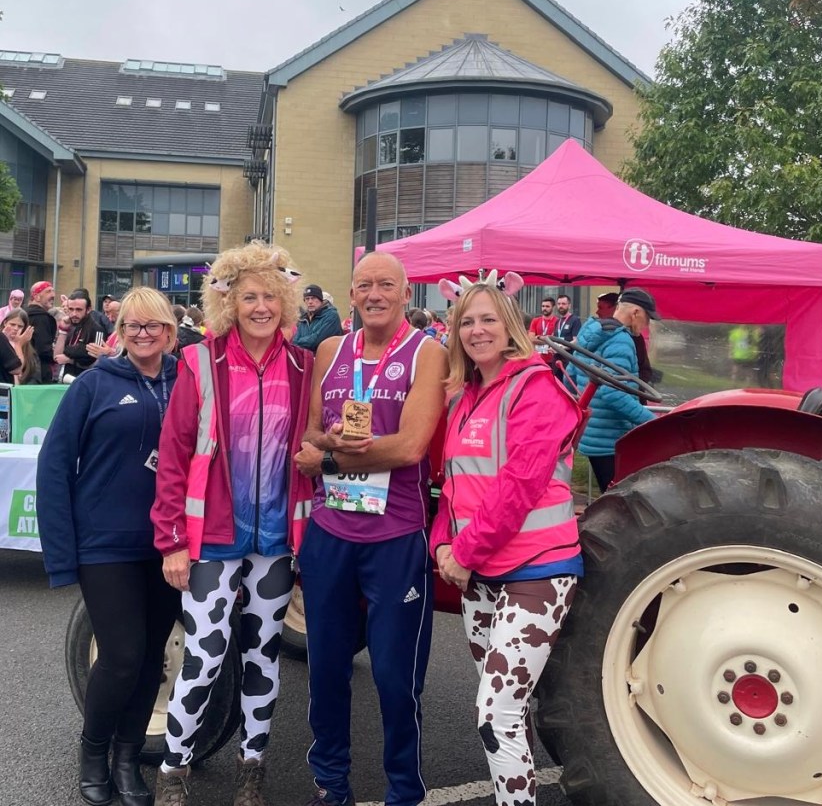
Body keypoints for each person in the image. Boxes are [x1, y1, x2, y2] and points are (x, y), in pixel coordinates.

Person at [151, 242, 315, 806]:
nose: (261, 306)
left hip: (275, 541)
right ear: (229, 303)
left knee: (262, 655)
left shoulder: (303, 366)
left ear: (286, 300)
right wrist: (172, 541)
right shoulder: (201, 361)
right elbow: (173, 455)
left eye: (271, 295)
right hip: (214, 539)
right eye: (249, 297)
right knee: (204, 656)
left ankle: (253, 768)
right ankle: (173, 770)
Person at [294, 251, 448, 806]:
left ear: (406, 294)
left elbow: (409, 448)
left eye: (386, 285)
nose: (374, 294)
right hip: (331, 532)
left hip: (395, 536)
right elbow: (311, 433)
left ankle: (403, 790)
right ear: (352, 294)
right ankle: (330, 781)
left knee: (393, 676)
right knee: (326, 667)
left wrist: (329, 458)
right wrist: (331, 444)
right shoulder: (330, 350)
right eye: (364, 285)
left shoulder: (427, 352)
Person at [430, 271, 582, 806]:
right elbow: (452, 486)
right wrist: (442, 545)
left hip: (537, 571)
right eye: (466, 321)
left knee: (495, 714)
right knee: (508, 714)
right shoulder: (464, 397)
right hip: (478, 575)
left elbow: (520, 485)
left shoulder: (537, 388)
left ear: (511, 324)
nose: (477, 330)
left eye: (488, 319)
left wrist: (463, 552)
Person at [36, 287, 181, 806]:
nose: (143, 334)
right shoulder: (94, 384)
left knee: (151, 658)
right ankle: (93, 753)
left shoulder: (186, 383)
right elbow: (54, 465)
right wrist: (61, 555)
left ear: (170, 332)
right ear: (119, 332)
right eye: (133, 326)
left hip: (168, 545)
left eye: (153, 325)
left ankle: (126, 758)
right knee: (121, 655)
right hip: (104, 545)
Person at [567, 288, 657, 492]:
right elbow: (613, 393)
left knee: (609, 495)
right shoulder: (620, 340)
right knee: (618, 501)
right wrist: (651, 422)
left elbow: (570, 376)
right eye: (647, 318)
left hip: (590, 434)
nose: (646, 325)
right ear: (635, 312)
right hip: (611, 438)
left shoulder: (590, 331)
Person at [55, 290, 109, 380]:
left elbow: (97, 364)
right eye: (71, 309)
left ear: (88, 309)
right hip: (66, 380)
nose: (74, 314)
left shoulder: (97, 330)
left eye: (79, 310)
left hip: (86, 382)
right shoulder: (70, 326)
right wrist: (63, 331)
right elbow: (57, 357)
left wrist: (70, 360)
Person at [292, 283, 342, 353]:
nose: (310, 302)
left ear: (321, 300)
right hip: (307, 357)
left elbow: (315, 341)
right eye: (307, 299)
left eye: (313, 298)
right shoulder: (303, 319)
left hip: (328, 357)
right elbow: (294, 342)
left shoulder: (331, 315)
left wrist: (299, 341)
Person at [27, 280, 58, 383]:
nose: (53, 295)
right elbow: (43, 349)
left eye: (53, 291)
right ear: (36, 297)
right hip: (39, 371)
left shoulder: (23, 314)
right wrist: (57, 355)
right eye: (48, 291)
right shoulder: (41, 317)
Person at [2, 308, 41, 384]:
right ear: (5, 323)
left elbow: (35, 376)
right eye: (12, 324)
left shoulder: (29, 351)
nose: (15, 328)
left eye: (20, 326)